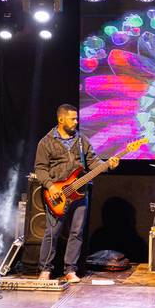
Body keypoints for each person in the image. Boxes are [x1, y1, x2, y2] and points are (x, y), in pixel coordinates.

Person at [34, 104, 119, 283]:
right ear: (61, 119)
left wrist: (107, 165)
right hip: (57, 194)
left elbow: (93, 162)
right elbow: (40, 169)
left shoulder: (82, 140)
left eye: (77, 118)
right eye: (72, 119)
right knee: (52, 232)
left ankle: (70, 269)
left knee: (76, 232)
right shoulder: (46, 142)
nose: (76, 122)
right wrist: (51, 186)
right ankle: (45, 269)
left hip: (80, 192)